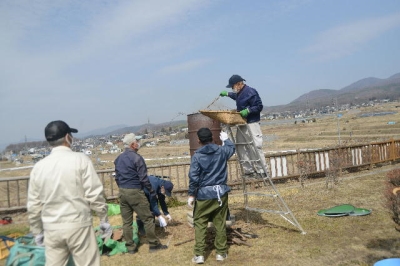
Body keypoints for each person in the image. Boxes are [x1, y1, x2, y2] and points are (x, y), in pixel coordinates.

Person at [27, 120, 110, 266]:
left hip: (51, 228)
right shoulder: (80, 160)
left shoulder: (39, 167)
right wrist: (103, 219)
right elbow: (95, 194)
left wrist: (37, 231)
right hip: (78, 224)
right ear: (67, 137)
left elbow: (34, 205)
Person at [187, 128, 235, 264]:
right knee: (220, 222)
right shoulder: (221, 151)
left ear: (198, 140)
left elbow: (194, 177)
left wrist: (191, 194)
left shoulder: (197, 156)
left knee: (200, 223)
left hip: (203, 195)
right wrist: (226, 140)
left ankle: (199, 255)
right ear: (213, 137)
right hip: (221, 193)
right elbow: (231, 149)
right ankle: (221, 253)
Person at [114, 133, 168, 254]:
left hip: (122, 192)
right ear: (133, 144)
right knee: (148, 218)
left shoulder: (118, 158)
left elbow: (117, 177)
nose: (139, 143)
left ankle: (130, 247)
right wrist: (151, 191)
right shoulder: (137, 158)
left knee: (126, 222)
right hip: (135, 191)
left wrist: (122, 188)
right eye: (137, 141)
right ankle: (154, 245)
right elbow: (144, 179)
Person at [220, 74, 267, 176]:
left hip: (252, 123)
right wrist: (227, 94)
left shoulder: (250, 91)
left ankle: (262, 171)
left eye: (232, 86)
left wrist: (248, 110)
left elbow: (259, 106)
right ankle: (248, 170)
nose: (232, 89)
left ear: (239, 84)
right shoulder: (239, 93)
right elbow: (236, 96)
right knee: (240, 146)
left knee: (255, 146)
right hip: (242, 123)